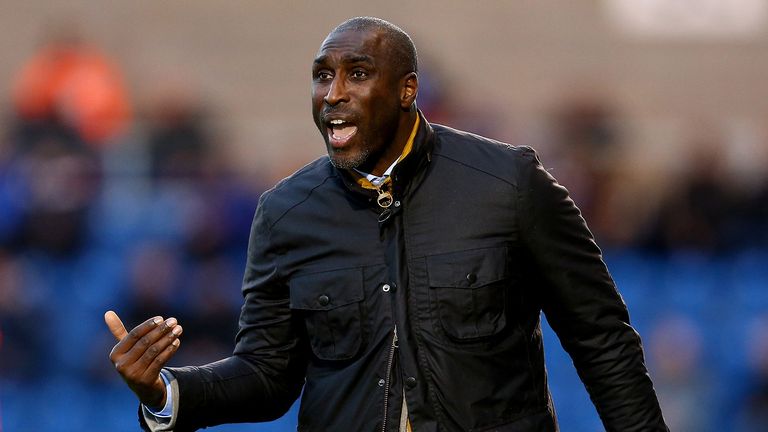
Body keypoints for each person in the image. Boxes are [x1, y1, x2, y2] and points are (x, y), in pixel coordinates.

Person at [105, 16, 668, 431]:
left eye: (357, 74)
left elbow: (602, 340)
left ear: (407, 91)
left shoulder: (510, 183)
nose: (333, 94)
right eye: (322, 77)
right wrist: (167, 390)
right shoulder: (283, 214)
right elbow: (268, 375)